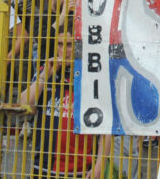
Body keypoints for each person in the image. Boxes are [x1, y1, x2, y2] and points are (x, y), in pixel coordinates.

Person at [18, 31, 109, 178]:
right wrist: (44, 76)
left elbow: (106, 127)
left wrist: (99, 166)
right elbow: (23, 105)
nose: (65, 50)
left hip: (80, 170)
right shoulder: (47, 70)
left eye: (69, 45)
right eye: (60, 44)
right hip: (43, 167)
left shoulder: (92, 76)